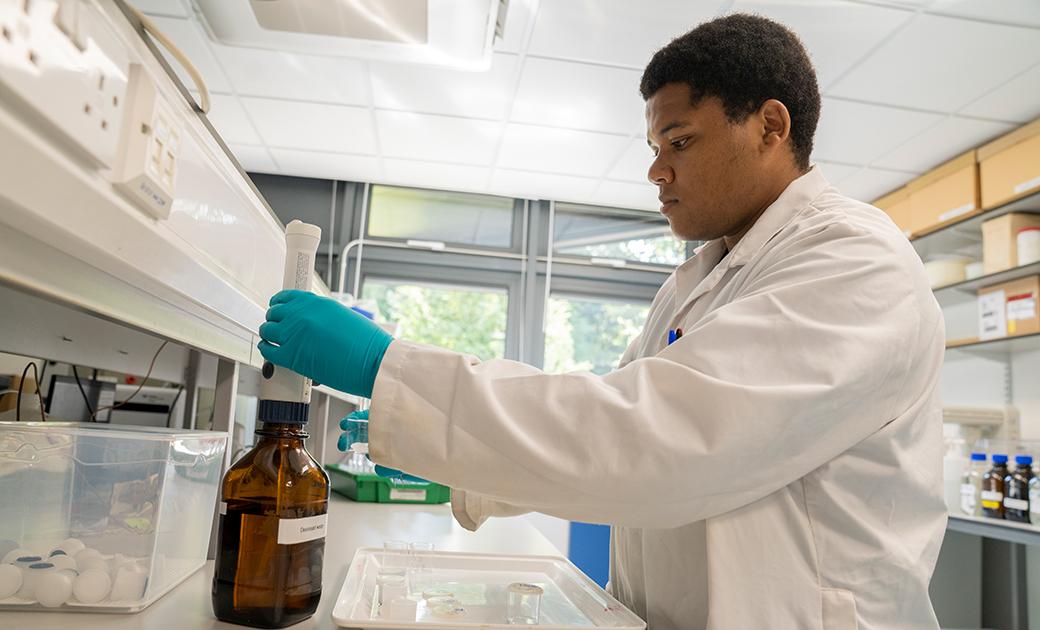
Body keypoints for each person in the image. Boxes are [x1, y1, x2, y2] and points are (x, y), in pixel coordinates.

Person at [257, 13, 946, 630]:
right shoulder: (697, 283)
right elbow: (597, 424)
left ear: (770, 126)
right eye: (653, 145)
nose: (656, 170)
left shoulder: (855, 262)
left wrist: (391, 371)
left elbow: (656, 441)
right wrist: (446, 459)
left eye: (678, 141)